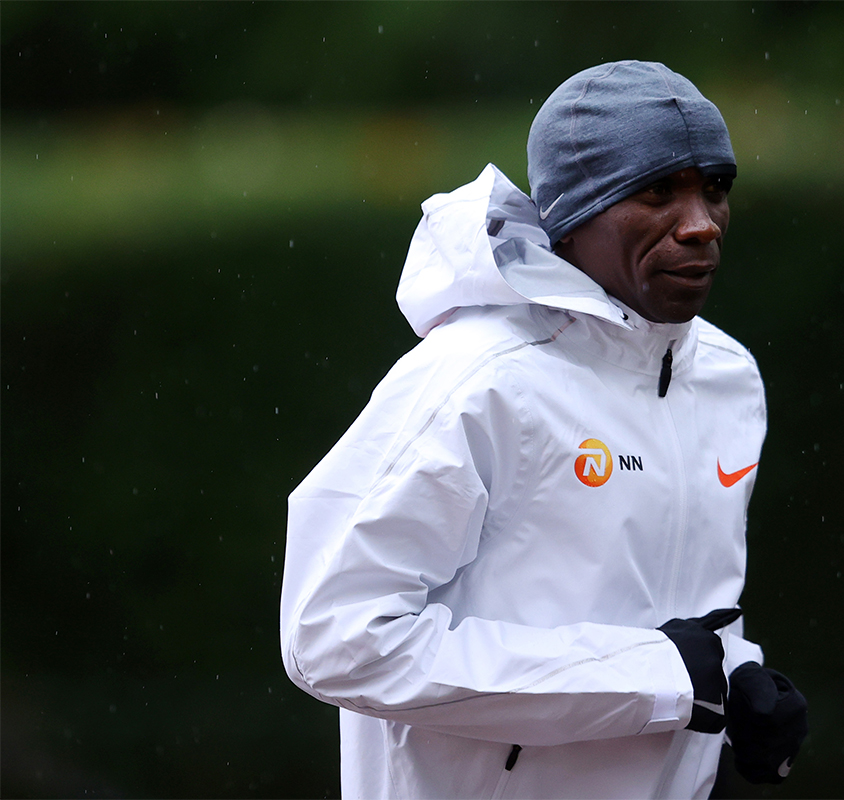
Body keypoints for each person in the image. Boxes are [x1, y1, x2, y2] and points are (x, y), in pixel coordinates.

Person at [280, 60, 807, 799]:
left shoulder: (726, 375)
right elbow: (335, 639)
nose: (701, 224)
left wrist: (737, 679)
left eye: (715, 188)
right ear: (573, 215)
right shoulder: (476, 380)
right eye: (658, 191)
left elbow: (674, 617)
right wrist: (654, 678)